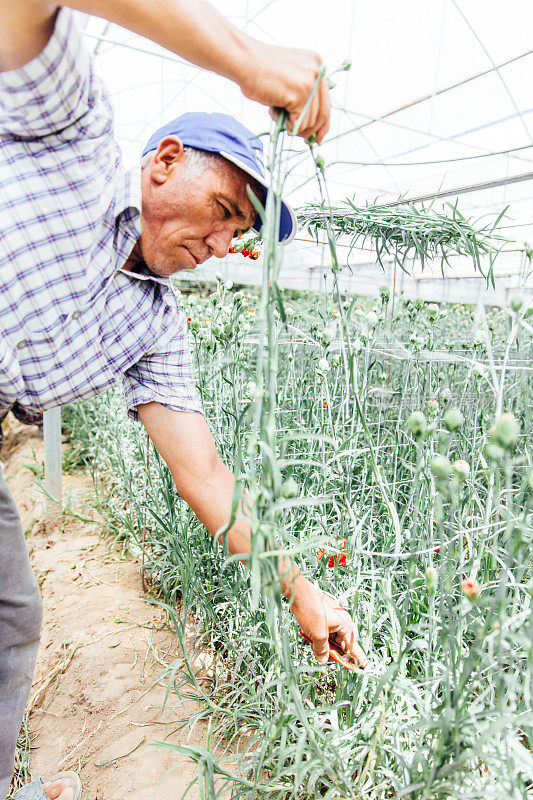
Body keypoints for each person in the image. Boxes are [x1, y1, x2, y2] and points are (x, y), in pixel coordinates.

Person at [0, 3, 367, 798]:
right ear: (166, 161)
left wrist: (304, 595)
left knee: (10, 618)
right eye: (228, 211)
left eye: (242, 237)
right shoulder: (75, 143)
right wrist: (243, 59)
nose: (225, 244)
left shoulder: (155, 326)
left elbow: (207, 480)